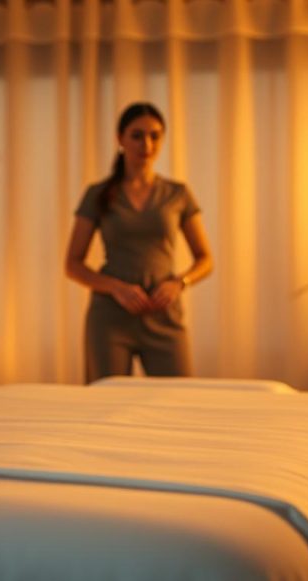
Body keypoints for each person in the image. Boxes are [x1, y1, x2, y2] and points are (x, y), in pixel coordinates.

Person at [65, 102, 213, 382]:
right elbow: (72, 264)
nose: (146, 143)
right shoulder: (97, 194)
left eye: (155, 135)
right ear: (120, 139)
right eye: (137, 135)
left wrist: (179, 283)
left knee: (178, 403)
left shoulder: (177, 193)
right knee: (104, 406)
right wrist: (116, 288)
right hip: (110, 318)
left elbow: (205, 259)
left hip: (164, 315)